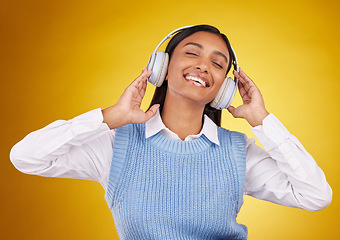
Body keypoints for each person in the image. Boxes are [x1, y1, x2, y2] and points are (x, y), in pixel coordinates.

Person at [10, 25, 332, 239]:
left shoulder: (237, 152)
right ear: (162, 67)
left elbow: (316, 196)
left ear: (224, 89)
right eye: (192, 53)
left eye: (218, 64)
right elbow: (26, 157)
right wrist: (111, 116)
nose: (204, 66)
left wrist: (262, 120)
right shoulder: (117, 145)